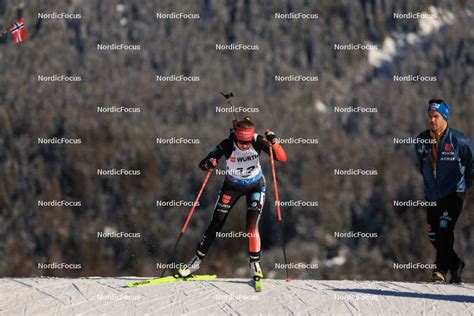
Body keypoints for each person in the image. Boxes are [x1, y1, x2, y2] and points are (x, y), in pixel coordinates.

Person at [177, 116, 287, 280]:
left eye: (247, 142)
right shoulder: (227, 144)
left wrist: (275, 143)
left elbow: (282, 158)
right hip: (232, 187)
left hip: (255, 186)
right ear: (235, 136)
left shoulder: (257, 141)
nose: (244, 146)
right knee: (216, 223)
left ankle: (255, 264)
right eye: (241, 142)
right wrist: (210, 163)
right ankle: (195, 262)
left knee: (251, 227)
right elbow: (203, 163)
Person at [415, 99, 473, 283]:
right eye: (430, 116)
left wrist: (467, 183)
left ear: (444, 117)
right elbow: (421, 164)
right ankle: (456, 264)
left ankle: (439, 271)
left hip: (454, 192)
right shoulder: (421, 140)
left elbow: (472, 161)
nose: (432, 120)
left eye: (436, 116)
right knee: (434, 236)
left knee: (444, 227)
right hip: (433, 195)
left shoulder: (459, 140)